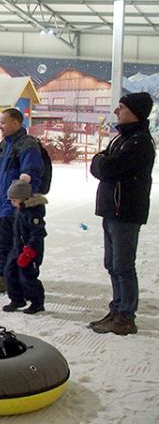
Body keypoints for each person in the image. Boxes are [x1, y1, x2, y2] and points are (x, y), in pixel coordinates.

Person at [89, 92, 155, 335]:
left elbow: (106, 167)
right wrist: (101, 162)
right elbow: (100, 164)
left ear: (135, 112)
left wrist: (102, 162)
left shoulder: (139, 142)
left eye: (121, 108)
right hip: (111, 211)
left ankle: (126, 315)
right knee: (112, 264)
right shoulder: (122, 139)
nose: (116, 111)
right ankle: (117, 309)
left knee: (123, 265)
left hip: (125, 212)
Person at [0, 108, 44, 295]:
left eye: (3, 122)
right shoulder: (4, 146)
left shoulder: (27, 146)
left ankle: (22, 282)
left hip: (17, 208)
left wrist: (22, 205)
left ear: (16, 123)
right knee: (2, 245)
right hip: (2, 206)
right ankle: (3, 279)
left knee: (20, 247)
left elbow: (30, 177)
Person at [2, 180, 47, 315]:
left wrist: (29, 252)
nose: (12, 203)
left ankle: (37, 302)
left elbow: (38, 233)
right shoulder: (20, 211)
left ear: (23, 199)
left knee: (27, 277)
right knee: (9, 272)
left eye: (14, 200)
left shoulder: (32, 213)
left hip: (30, 251)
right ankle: (17, 299)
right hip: (17, 249)